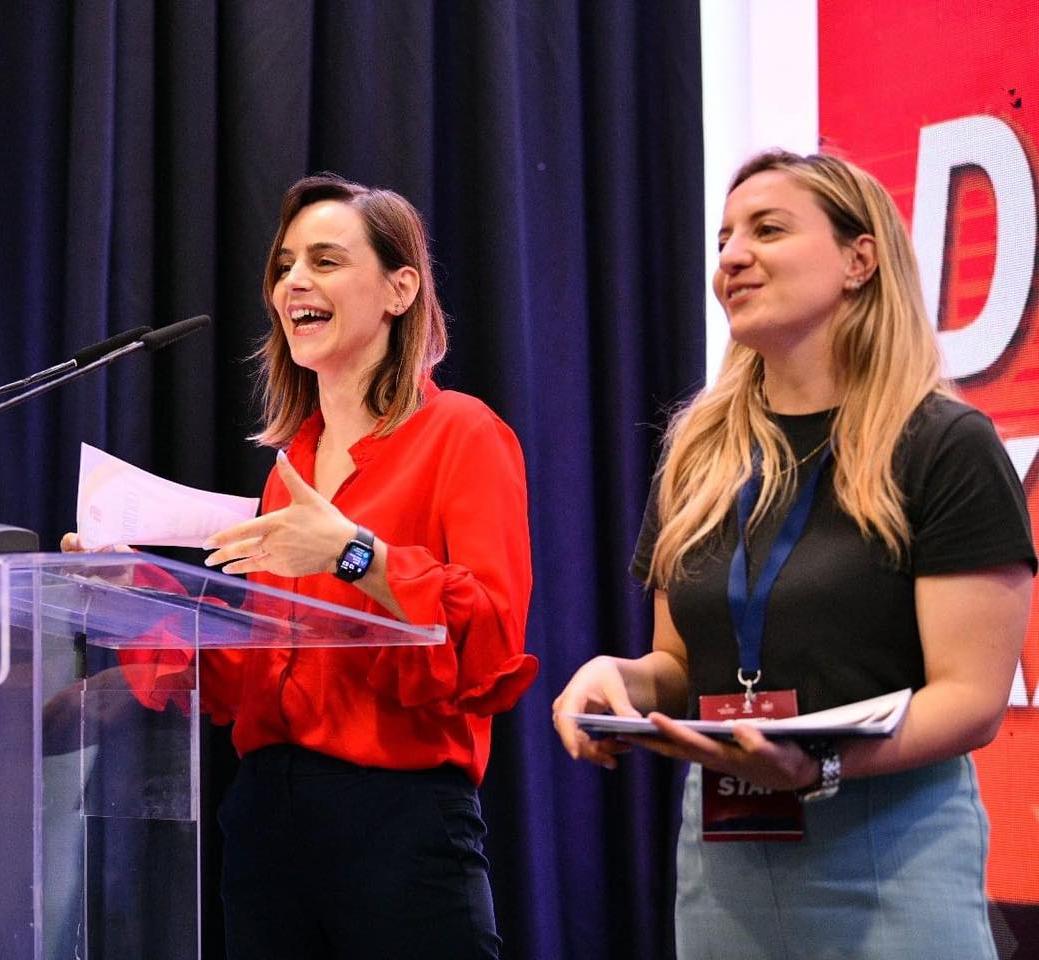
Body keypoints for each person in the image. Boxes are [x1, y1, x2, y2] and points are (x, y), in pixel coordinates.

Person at [552, 150, 1034, 958]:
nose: (732, 257)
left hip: (892, 853)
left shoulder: (944, 444)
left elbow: (972, 699)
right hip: (726, 859)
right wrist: (620, 679)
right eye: (723, 239)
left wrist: (820, 767)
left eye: (767, 230)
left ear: (859, 259)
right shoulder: (699, 456)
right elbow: (680, 665)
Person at [175, 173, 533, 959]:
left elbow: (491, 637)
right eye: (285, 266)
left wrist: (353, 553)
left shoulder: (463, 433)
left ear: (400, 289)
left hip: (397, 821)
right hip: (266, 822)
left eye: (326, 261)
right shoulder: (290, 468)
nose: (294, 282)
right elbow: (267, 665)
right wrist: (131, 587)